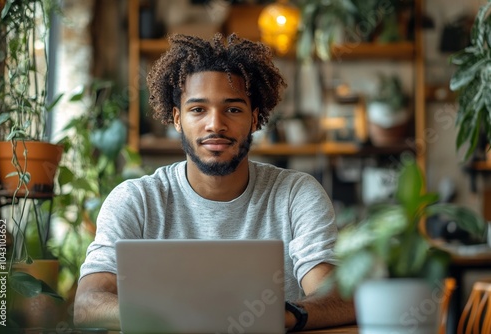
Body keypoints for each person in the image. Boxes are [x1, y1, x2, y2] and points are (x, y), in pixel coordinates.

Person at [74, 33, 355, 331]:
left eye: (233, 109)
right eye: (198, 109)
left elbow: (338, 298)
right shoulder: (136, 200)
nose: (215, 124)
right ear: (177, 118)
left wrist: (273, 316)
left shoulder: (296, 194)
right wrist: (175, 317)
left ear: (254, 119)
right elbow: (87, 304)